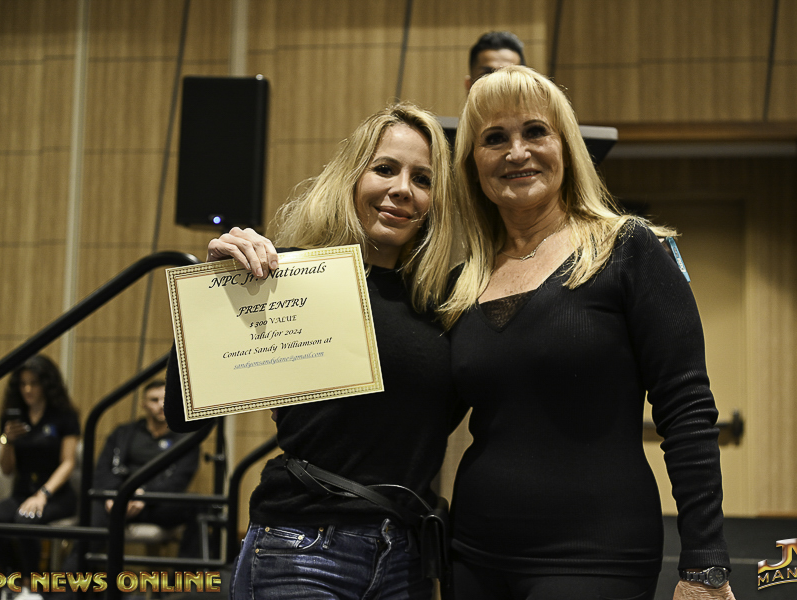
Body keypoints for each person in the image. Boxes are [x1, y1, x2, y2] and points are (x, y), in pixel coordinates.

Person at [439, 65, 736, 600]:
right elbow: (412, 408)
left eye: (535, 131)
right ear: (472, 163)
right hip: (474, 554)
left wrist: (706, 565)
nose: (516, 152)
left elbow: (687, 407)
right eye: (494, 138)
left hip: (598, 554)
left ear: (566, 147)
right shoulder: (462, 283)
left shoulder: (629, 249)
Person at [165, 102, 461, 599]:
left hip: (407, 560)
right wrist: (212, 292)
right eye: (385, 169)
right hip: (300, 550)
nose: (402, 189)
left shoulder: (445, 304)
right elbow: (182, 415)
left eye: (423, 179)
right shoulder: (283, 277)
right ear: (352, 177)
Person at [0, 354, 80, 599]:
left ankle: (32, 584)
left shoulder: (64, 415)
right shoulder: (13, 417)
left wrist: (42, 495)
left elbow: (68, 462)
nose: (27, 389)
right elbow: (6, 469)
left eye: (34, 383)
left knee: (25, 520)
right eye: (23, 383)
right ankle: (14, 578)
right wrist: (7, 441)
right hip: (21, 492)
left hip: (56, 495)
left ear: (46, 384)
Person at [89, 379, 200, 557]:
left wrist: (144, 494)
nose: (161, 405)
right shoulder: (124, 433)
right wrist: (115, 495)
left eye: (166, 399)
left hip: (156, 503)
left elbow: (179, 480)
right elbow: (103, 469)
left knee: (199, 506)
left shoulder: (186, 438)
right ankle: (77, 571)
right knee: (93, 510)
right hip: (117, 500)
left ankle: (188, 574)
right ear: (143, 404)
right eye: (154, 400)